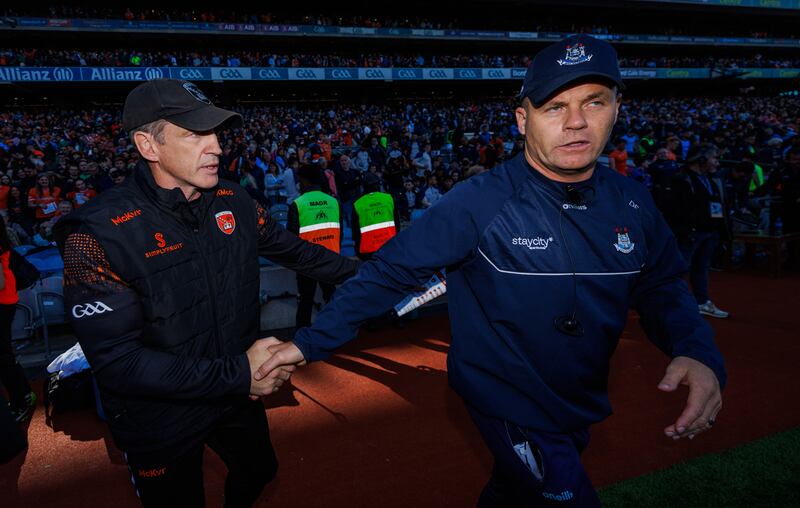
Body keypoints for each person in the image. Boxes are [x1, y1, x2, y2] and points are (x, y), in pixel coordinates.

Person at [256, 35, 726, 507]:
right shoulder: (479, 201)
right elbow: (388, 273)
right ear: (523, 119)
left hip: (576, 400)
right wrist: (308, 344)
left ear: (617, 109)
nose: (577, 122)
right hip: (507, 400)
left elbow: (662, 284)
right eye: (554, 107)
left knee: (511, 491)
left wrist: (697, 349)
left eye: (594, 102)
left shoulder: (634, 201)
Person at [53, 79, 358, 508]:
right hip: (160, 415)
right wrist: (239, 373)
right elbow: (120, 365)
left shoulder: (235, 200)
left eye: (216, 133)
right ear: (148, 145)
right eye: (195, 135)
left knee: (260, 470)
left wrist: (387, 275)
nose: (215, 146)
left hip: (233, 393)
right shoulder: (95, 234)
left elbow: (306, 257)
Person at [666, 144, 730, 318]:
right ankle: (672, 305)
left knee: (701, 268)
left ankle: (702, 302)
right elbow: (674, 209)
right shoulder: (682, 179)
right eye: (713, 158)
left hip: (709, 232)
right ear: (701, 159)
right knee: (679, 270)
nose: (716, 162)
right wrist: (686, 229)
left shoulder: (711, 179)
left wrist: (720, 231)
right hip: (691, 233)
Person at [287, 164, 342, 329]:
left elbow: (292, 238)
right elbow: (339, 233)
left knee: (305, 300)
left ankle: (302, 339)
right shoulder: (333, 202)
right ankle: (338, 330)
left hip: (307, 261)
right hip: (330, 258)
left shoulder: (298, 204)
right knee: (331, 296)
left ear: (305, 180)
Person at [0, 224, 36, 422]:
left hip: (3, 304)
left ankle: (21, 400)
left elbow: (0, 283)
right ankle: (22, 395)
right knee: (4, 355)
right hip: (6, 303)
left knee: (3, 357)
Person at [352, 173, 400, 261]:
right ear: (378, 184)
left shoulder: (358, 204)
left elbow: (355, 231)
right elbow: (397, 223)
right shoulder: (389, 199)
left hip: (368, 250)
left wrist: (359, 251)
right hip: (389, 246)